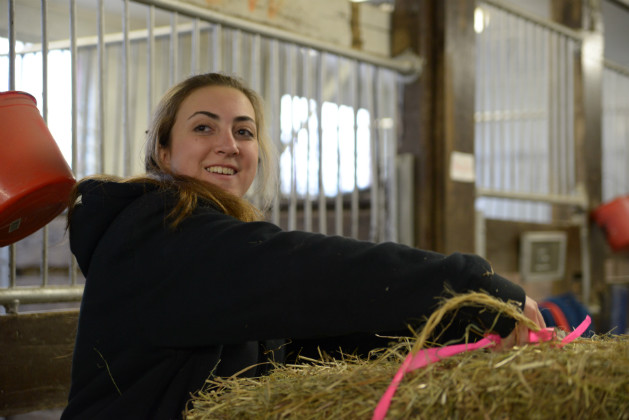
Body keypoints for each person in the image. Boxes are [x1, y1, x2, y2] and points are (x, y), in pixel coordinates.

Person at [61, 72, 545, 419]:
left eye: (244, 131)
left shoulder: (212, 247)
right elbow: (312, 274)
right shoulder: (156, 230)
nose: (229, 144)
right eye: (204, 127)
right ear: (163, 151)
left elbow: (308, 344)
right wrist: (469, 289)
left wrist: (451, 333)